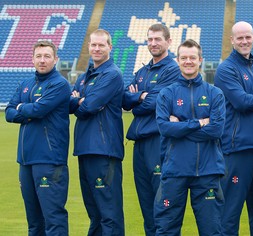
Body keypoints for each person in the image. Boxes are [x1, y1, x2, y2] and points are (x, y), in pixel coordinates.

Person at [154, 39, 226, 235]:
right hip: (175, 170)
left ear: (200, 60)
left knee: (212, 230)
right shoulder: (167, 94)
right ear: (177, 60)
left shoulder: (215, 93)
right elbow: (165, 128)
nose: (188, 61)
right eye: (183, 58)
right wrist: (199, 123)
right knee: (166, 230)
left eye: (192, 58)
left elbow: (216, 130)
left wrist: (180, 126)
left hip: (207, 172)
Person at [214, 21, 253, 235]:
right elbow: (241, 102)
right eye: (239, 37)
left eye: (247, 36)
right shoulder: (226, 69)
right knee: (229, 214)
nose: (244, 41)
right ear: (232, 40)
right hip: (236, 150)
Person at [5, 40, 70, 235]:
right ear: (32, 59)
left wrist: (22, 109)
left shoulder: (60, 84)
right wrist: (27, 110)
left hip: (49, 160)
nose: (43, 60)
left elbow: (40, 110)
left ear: (55, 59)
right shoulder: (26, 84)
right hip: (25, 161)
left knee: (53, 220)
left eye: (47, 56)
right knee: (34, 222)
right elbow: (8, 112)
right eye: (39, 56)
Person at [122, 23, 180, 235]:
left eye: (158, 39)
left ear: (168, 42)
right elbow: (124, 99)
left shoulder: (172, 69)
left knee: (162, 203)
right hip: (139, 144)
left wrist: (140, 97)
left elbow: (155, 103)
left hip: (159, 142)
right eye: (150, 39)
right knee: (146, 203)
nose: (153, 43)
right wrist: (141, 95)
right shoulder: (143, 70)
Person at [70, 29, 125, 235]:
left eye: (101, 45)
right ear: (88, 46)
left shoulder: (112, 74)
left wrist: (80, 100)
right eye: (93, 44)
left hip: (104, 150)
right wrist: (78, 100)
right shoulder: (85, 76)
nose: (96, 48)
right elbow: (71, 104)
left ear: (110, 47)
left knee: (109, 212)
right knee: (94, 212)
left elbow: (87, 107)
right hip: (85, 149)